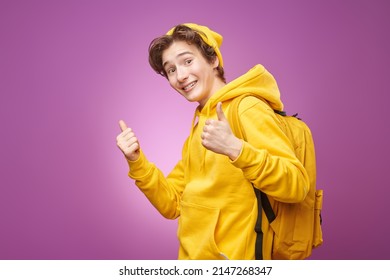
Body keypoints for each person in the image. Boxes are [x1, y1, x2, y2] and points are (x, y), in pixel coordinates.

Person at [116, 23, 309, 260]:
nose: (181, 76)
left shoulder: (246, 108)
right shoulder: (198, 130)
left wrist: (235, 149)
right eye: (171, 70)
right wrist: (137, 161)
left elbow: (296, 185)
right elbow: (172, 204)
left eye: (187, 61)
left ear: (213, 60)